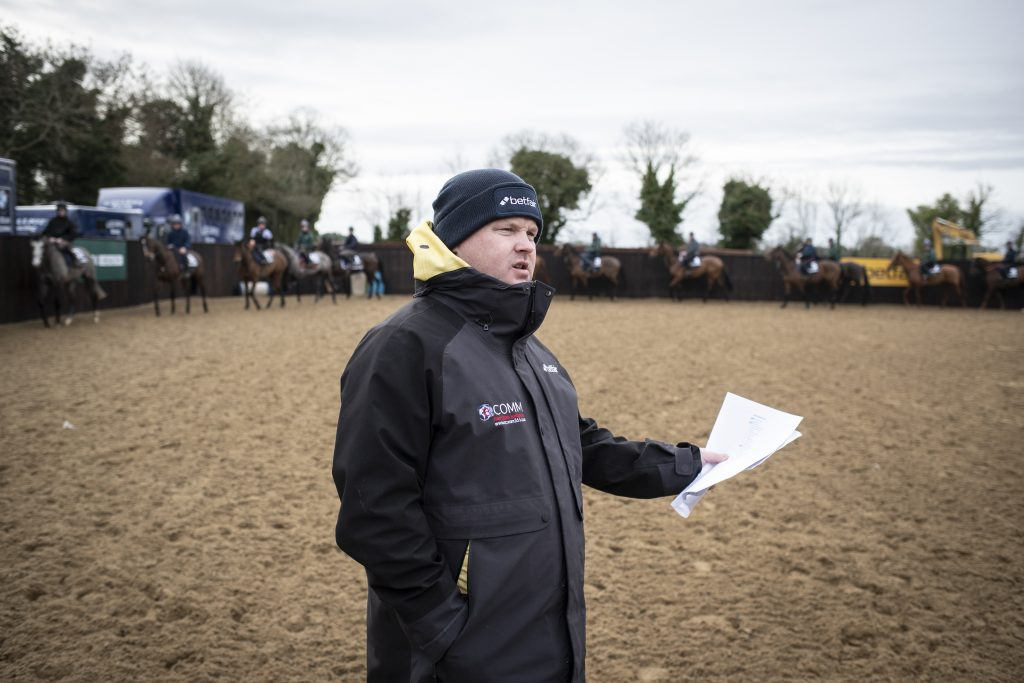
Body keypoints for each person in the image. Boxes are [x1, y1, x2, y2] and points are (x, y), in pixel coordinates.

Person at [331, 168, 727, 682]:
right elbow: (374, 509)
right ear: (454, 240)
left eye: (532, 233)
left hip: (547, 634)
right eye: (506, 230)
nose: (525, 246)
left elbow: (580, 444)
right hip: (454, 650)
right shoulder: (403, 345)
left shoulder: (529, 349)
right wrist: (442, 627)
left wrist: (684, 465)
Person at [41, 201, 78, 268]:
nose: (60, 212)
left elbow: (73, 235)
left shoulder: (69, 222)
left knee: (63, 246)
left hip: (64, 241)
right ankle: (42, 262)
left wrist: (62, 239)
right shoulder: (53, 221)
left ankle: (72, 262)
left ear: (65, 211)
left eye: (62, 210)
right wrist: (50, 237)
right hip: (52, 240)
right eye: (59, 210)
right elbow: (46, 231)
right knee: (41, 242)